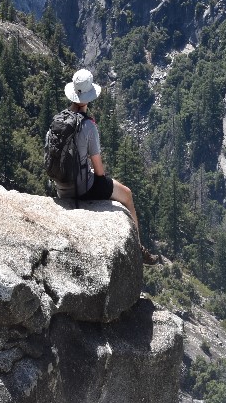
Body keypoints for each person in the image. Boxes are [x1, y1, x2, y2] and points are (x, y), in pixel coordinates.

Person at [62, 68, 159, 265]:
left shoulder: (59, 120)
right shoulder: (88, 126)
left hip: (61, 187)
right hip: (82, 189)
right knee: (127, 195)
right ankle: (137, 248)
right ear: (88, 98)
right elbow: (99, 171)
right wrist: (101, 182)